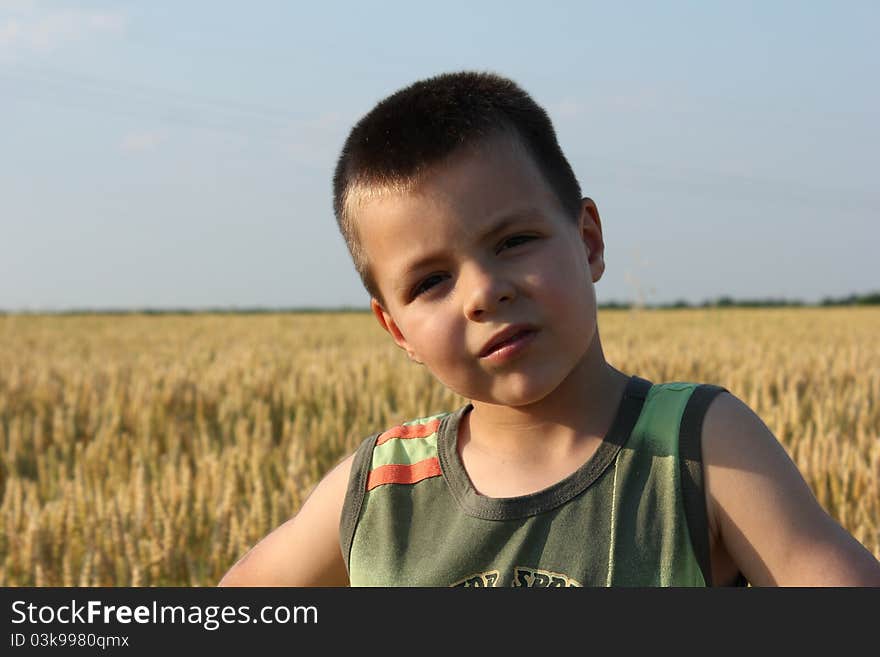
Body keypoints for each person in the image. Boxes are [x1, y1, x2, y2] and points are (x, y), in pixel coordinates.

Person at [218, 71, 880, 587]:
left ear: (588, 240)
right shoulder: (381, 490)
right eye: (430, 282)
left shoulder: (699, 448)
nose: (484, 291)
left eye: (514, 240)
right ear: (397, 331)